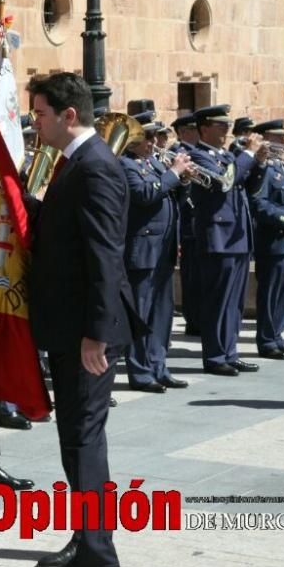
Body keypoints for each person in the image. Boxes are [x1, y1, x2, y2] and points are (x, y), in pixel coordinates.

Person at [27, 72, 138, 567]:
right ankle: (86, 536)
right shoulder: (75, 163)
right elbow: (63, 235)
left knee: (85, 437)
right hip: (71, 326)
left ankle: (98, 554)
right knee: (76, 436)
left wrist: (96, 333)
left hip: (88, 332)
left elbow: (104, 256)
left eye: (41, 114)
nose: (36, 122)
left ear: (69, 115)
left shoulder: (95, 168)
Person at [187, 104, 263, 377]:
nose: (227, 130)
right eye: (221, 126)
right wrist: (248, 154)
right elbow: (223, 183)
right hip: (218, 236)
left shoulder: (225, 154)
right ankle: (216, 355)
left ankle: (230, 352)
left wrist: (259, 163)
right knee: (218, 300)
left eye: (227, 125)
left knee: (235, 301)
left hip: (237, 235)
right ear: (204, 128)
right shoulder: (197, 155)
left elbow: (247, 186)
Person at [120, 107, 190, 391]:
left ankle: (159, 365)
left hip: (164, 249)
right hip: (142, 250)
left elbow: (172, 193)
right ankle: (140, 372)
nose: (152, 142)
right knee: (141, 314)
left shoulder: (153, 164)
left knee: (162, 314)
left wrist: (183, 180)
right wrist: (175, 172)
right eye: (147, 137)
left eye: (154, 137)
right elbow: (146, 194)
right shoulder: (126, 165)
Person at [248, 119, 284, 359]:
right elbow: (258, 204)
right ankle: (267, 340)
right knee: (270, 292)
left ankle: (278, 335)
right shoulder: (264, 169)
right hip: (272, 239)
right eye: (279, 137)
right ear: (267, 140)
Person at [170, 114, 201, 336]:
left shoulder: (196, 154)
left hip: (196, 223)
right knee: (191, 279)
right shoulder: (177, 154)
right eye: (192, 129)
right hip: (187, 225)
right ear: (182, 132)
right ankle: (193, 320)